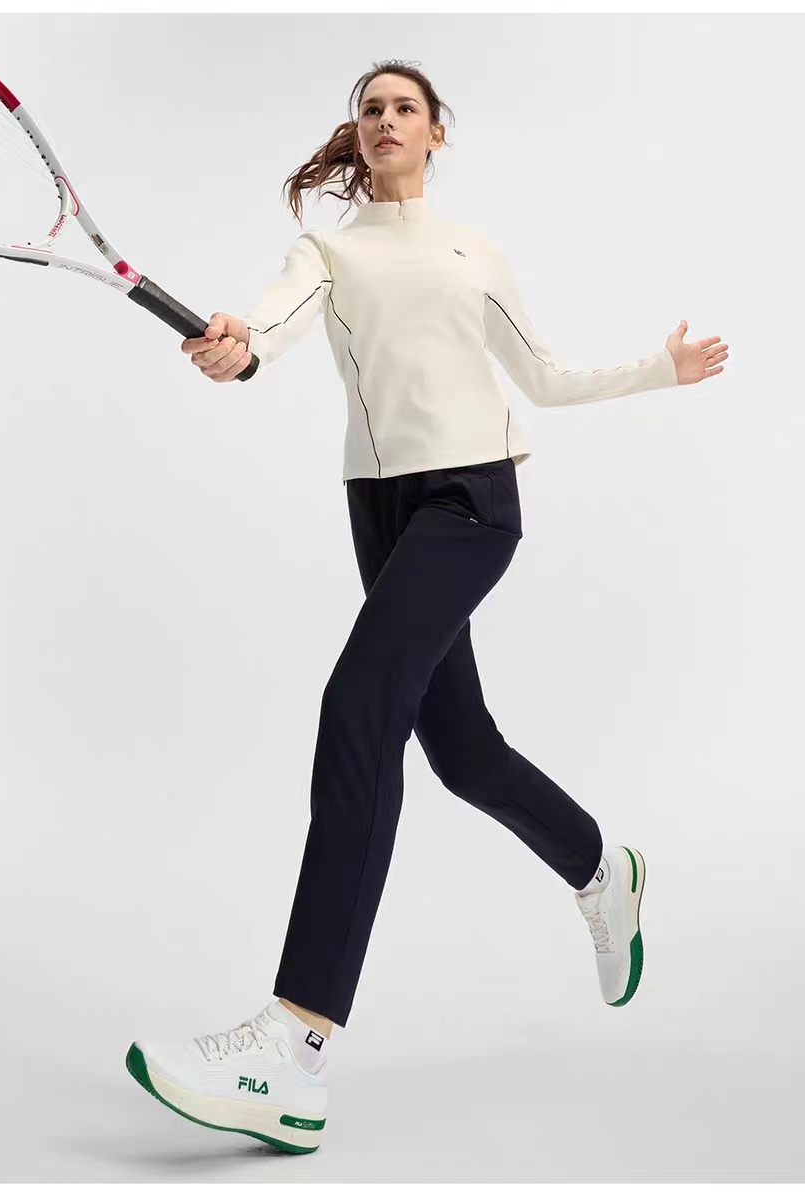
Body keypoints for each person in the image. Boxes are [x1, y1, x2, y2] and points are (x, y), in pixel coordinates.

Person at [125, 59, 728, 1155]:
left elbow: (542, 377)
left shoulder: (471, 251)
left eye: (404, 107)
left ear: (435, 132)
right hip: (381, 509)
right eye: (370, 109)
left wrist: (659, 368)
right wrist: (234, 348)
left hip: (472, 501)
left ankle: (295, 1046)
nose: (386, 119)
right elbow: (268, 327)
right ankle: (602, 868)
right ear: (355, 136)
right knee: (462, 750)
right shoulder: (329, 252)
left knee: (361, 706)